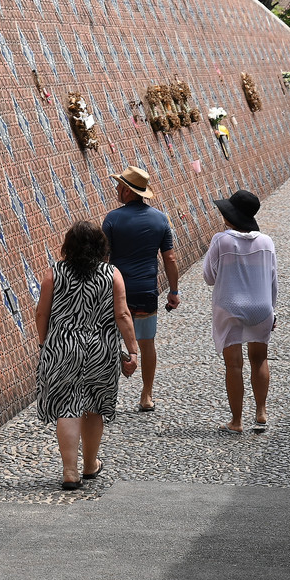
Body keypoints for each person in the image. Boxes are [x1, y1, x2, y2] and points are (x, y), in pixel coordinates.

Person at [34, 221, 139, 490]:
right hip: (100, 348)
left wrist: (46, 342)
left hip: (63, 347)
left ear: (68, 246)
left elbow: (41, 313)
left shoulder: (54, 274)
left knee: (68, 406)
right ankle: (90, 464)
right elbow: (123, 314)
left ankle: (70, 472)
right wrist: (132, 350)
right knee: (94, 406)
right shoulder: (111, 274)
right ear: (101, 247)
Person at [101, 166, 181, 411]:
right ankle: (146, 396)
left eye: (119, 186)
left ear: (126, 191)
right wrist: (174, 292)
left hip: (116, 291)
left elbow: (103, 259)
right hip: (146, 290)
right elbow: (170, 259)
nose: (116, 189)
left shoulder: (112, 219)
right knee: (147, 343)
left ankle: (106, 397)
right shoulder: (160, 219)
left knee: (109, 341)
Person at [201, 189, 277, 433]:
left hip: (230, 307)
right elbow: (273, 280)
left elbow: (209, 277)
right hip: (261, 308)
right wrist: (272, 311)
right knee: (260, 359)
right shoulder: (266, 242)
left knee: (234, 365)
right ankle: (262, 413)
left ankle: (236, 421)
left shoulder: (221, 240)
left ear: (230, 216)